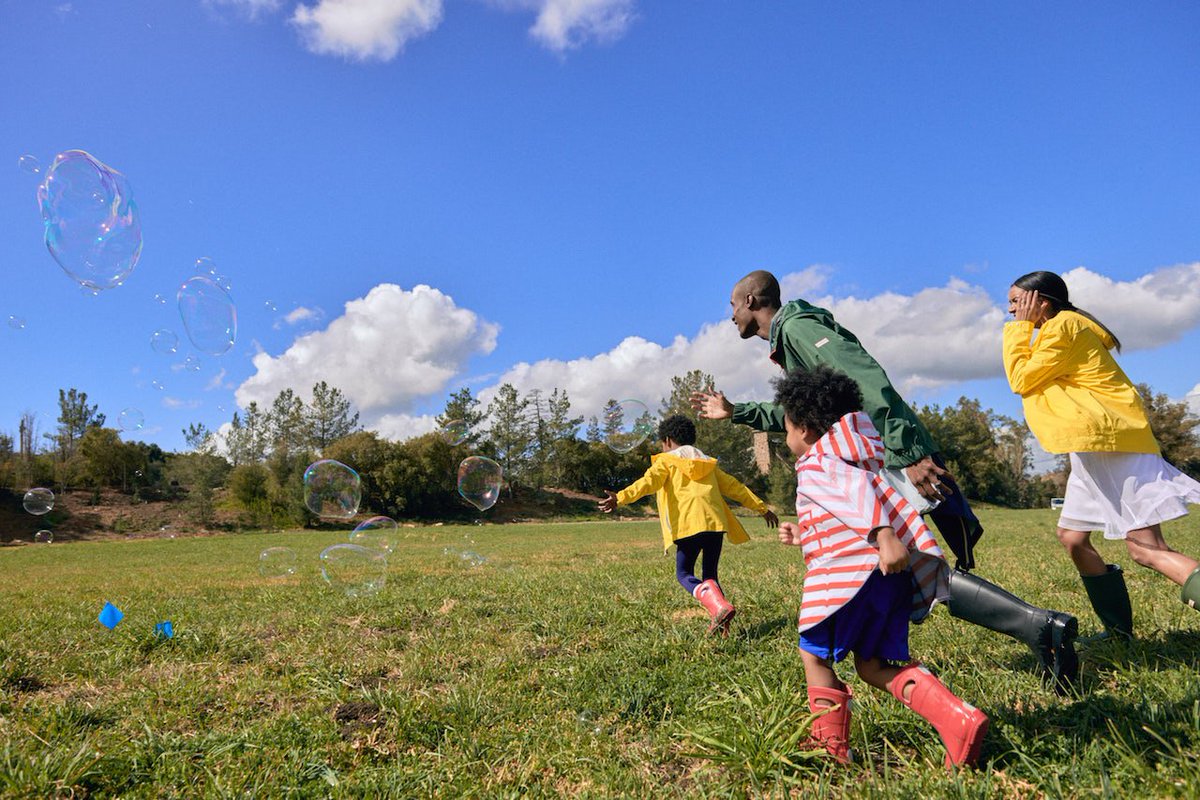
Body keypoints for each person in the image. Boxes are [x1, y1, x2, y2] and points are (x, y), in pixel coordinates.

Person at [691, 269, 1079, 687]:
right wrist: (737, 412)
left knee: (915, 562)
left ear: (751, 301)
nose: (730, 316)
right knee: (913, 562)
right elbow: (800, 412)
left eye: (732, 305)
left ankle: (1039, 627)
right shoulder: (789, 341)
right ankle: (1039, 628)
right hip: (873, 453)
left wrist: (908, 452)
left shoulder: (799, 328)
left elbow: (865, 377)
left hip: (883, 454)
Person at [775, 365, 987, 767]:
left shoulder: (817, 463)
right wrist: (807, 536)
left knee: (814, 655)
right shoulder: (863, 456)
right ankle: (956, 718)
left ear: (803, 428)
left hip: (854, 576)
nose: (787, 438)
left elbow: (853, 494)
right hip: (889, 576)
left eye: (785, 428)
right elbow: (852, 505)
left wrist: (882, 535)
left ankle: (830, 747)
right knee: (872, 665)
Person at [1004, 270, 1200, 639]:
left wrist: (1018, 331)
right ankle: (1119, 633)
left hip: (1112, 445)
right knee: (1073, 538)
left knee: (1146, 550)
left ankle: (1120, 632)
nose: (1011, 310)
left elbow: (1020, 378)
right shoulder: (1055, 329)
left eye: (1017, 301)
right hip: (1092, 447)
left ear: (1041, 301)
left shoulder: (1063, 327)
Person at [598, 414, 779, 635]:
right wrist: (762, 508)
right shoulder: (708, 463)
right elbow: (735, 487)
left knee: (684, 574)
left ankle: (718, 607)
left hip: (688, 524)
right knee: (710, 576)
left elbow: (647, 483)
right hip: (714, 524)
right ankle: (722, 626)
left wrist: (620, 497)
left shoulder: (665, 461)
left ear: (666, 440)